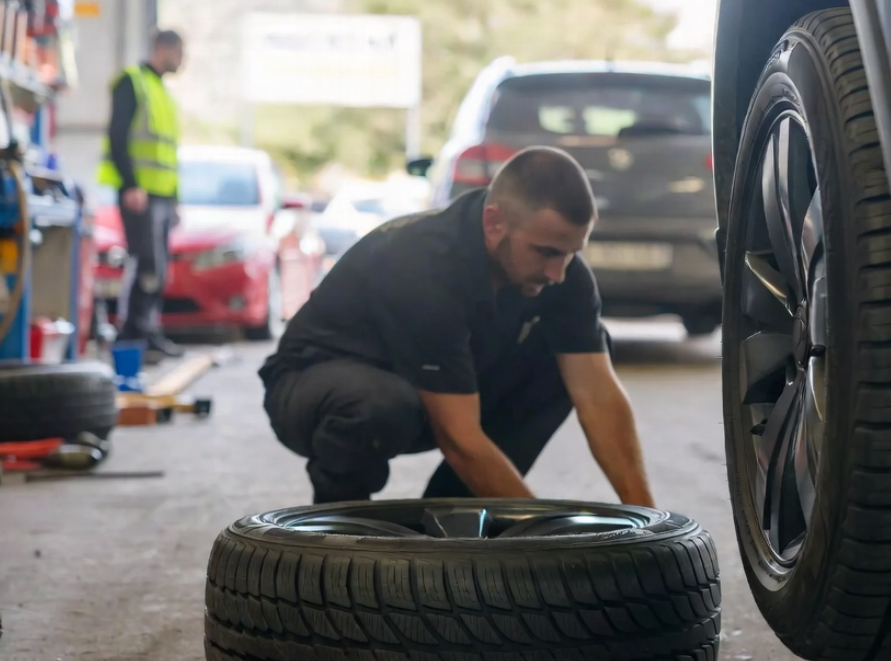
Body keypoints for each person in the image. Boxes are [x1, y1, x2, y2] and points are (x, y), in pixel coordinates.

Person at [258, 146, 656, 507]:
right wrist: (540, 530)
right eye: (546, 252)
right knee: (380, 404)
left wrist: (648, 521)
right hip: (314, 389)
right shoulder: (424, 265)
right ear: (494, 222)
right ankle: (340, 526)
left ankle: (453, 520)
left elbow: (598, 396)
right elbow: (458, 437)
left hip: (423, 396)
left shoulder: (563, 273)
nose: (558, 272)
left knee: (566, 363)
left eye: (571, 253)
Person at [96, 28, 186, 359]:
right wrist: (131, 183)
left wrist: (175, 199)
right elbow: (118, 136)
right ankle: (132, 336)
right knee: (146, 265)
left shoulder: (161, 90)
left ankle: (149, 331)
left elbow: (168, 154)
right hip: (140, 193)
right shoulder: (132, 82)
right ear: (164, 48)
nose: (181, 61)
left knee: (159, 269)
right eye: (179, 53)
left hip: (161, 196)